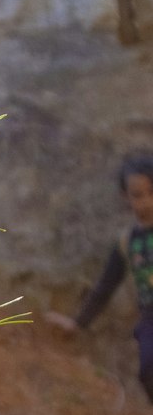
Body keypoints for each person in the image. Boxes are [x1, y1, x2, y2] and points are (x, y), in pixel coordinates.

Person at [46, 155, 153, 402]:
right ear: (125, 197)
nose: (146, 202)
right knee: (148, 371)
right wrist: (78, 323)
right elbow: (106, 285)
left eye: (151, 192)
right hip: (150, 317)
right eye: (137, 195)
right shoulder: (127, 242)